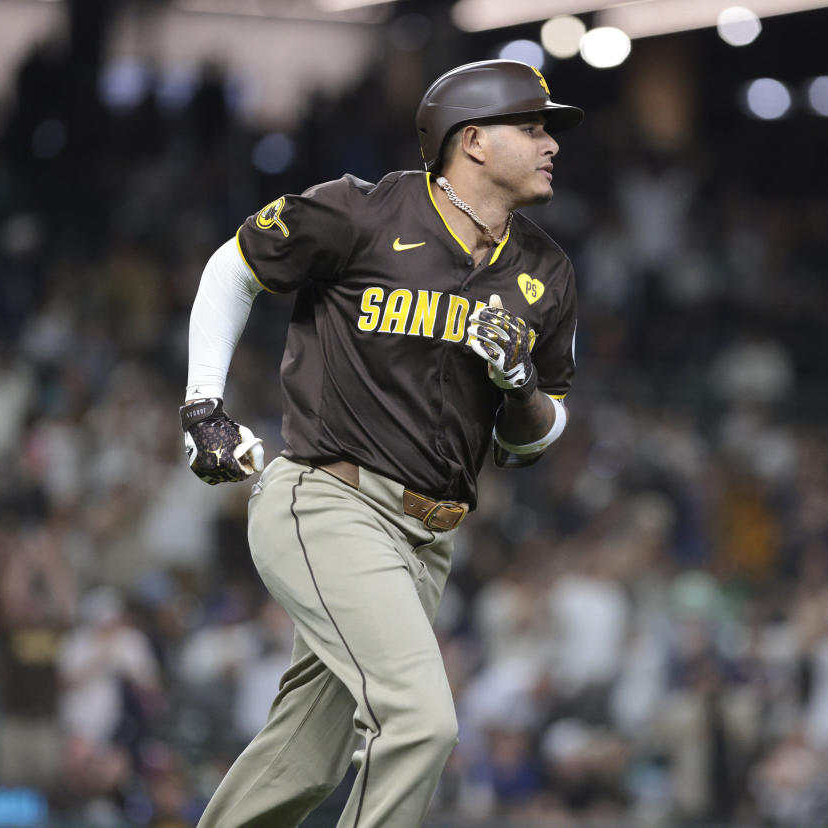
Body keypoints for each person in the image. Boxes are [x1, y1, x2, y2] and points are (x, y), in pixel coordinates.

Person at [180, 59, 582, 828]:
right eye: (530, 128)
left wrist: (520, 386)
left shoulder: (545, 271)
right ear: (471, 141)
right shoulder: (360, 212)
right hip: (329, 502)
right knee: (421, 723)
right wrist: (204, 405)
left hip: (427, 541)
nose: (548, 143)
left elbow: (535, 438)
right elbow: (233, 269)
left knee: (302, 758)